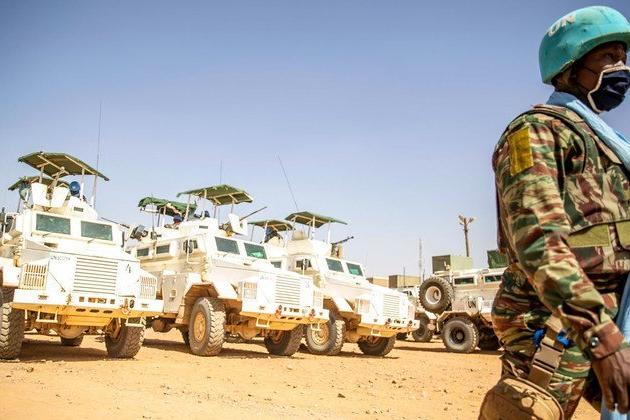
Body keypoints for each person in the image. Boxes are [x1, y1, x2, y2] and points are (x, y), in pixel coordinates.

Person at [480, 6, 630, 419]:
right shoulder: (536, 131)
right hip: (554, 323)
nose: (622, 69)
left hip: (610, 315)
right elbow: (539, 242)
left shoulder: (609, 145)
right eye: (608, 57)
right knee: (527, 411)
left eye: (623, 58)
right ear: (570, 66)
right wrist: (601, 338)